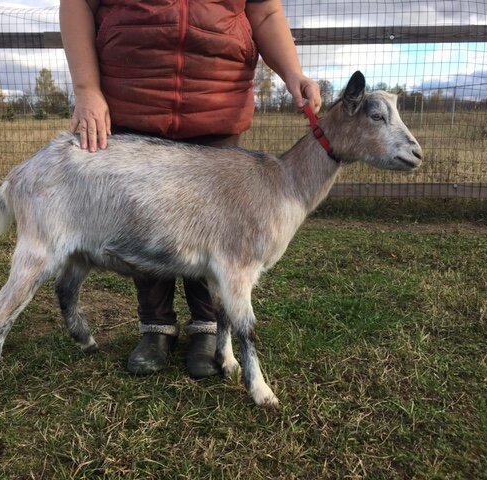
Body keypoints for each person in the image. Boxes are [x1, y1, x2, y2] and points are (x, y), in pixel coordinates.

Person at [59, 0, 322, 378]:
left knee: (218, 227)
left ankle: (208, 327)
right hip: (135, 99)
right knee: (146, 218)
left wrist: (292, 72)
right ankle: (155, 326)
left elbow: (264, 11)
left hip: (215, 102)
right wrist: (86, 89)